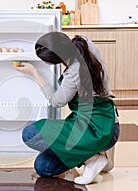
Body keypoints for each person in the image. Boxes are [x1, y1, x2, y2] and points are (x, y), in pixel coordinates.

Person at [13, 32, 119, 185]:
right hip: (104, 121)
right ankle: (98, 154)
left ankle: (93, 159)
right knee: (43, 167)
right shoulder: (84, 43)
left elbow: (56, 101)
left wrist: (34, 72)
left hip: (97, 127)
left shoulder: (73, 73)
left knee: (30, 134)